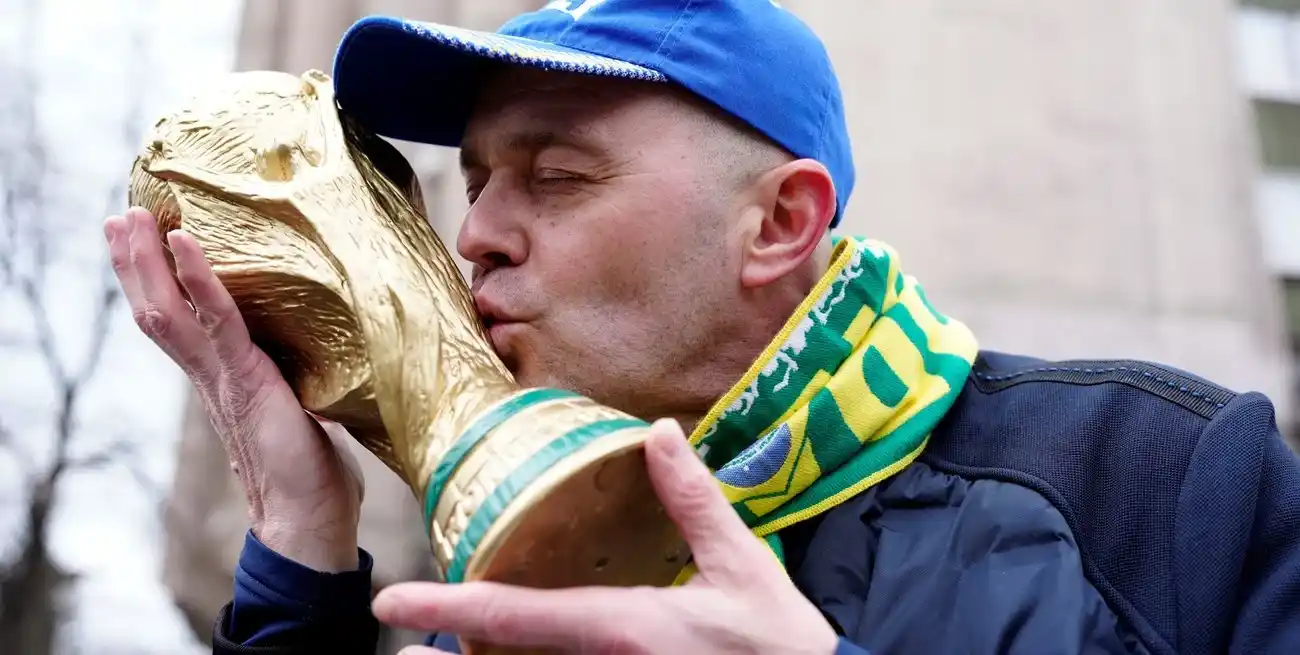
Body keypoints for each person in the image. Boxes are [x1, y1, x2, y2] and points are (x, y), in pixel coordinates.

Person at [104, 1, 1300, 653]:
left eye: (556, 175)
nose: (477, 236)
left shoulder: (1163, 478)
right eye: (474, 181)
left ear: (780, 222)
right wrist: (301, 549)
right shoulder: (498, 576)